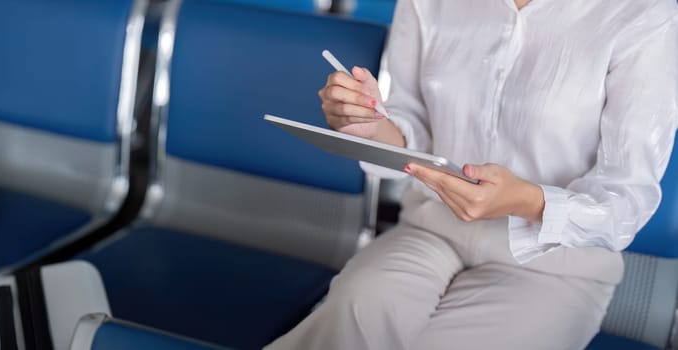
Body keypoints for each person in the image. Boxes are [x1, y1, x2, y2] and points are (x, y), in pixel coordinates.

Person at [266, 0, 678, 348]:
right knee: (355, 310)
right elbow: (411, 125)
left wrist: (526, 200)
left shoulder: (645, 13)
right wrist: (368, 124)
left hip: (554, 263)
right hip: (431, 228)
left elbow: (627, 199)